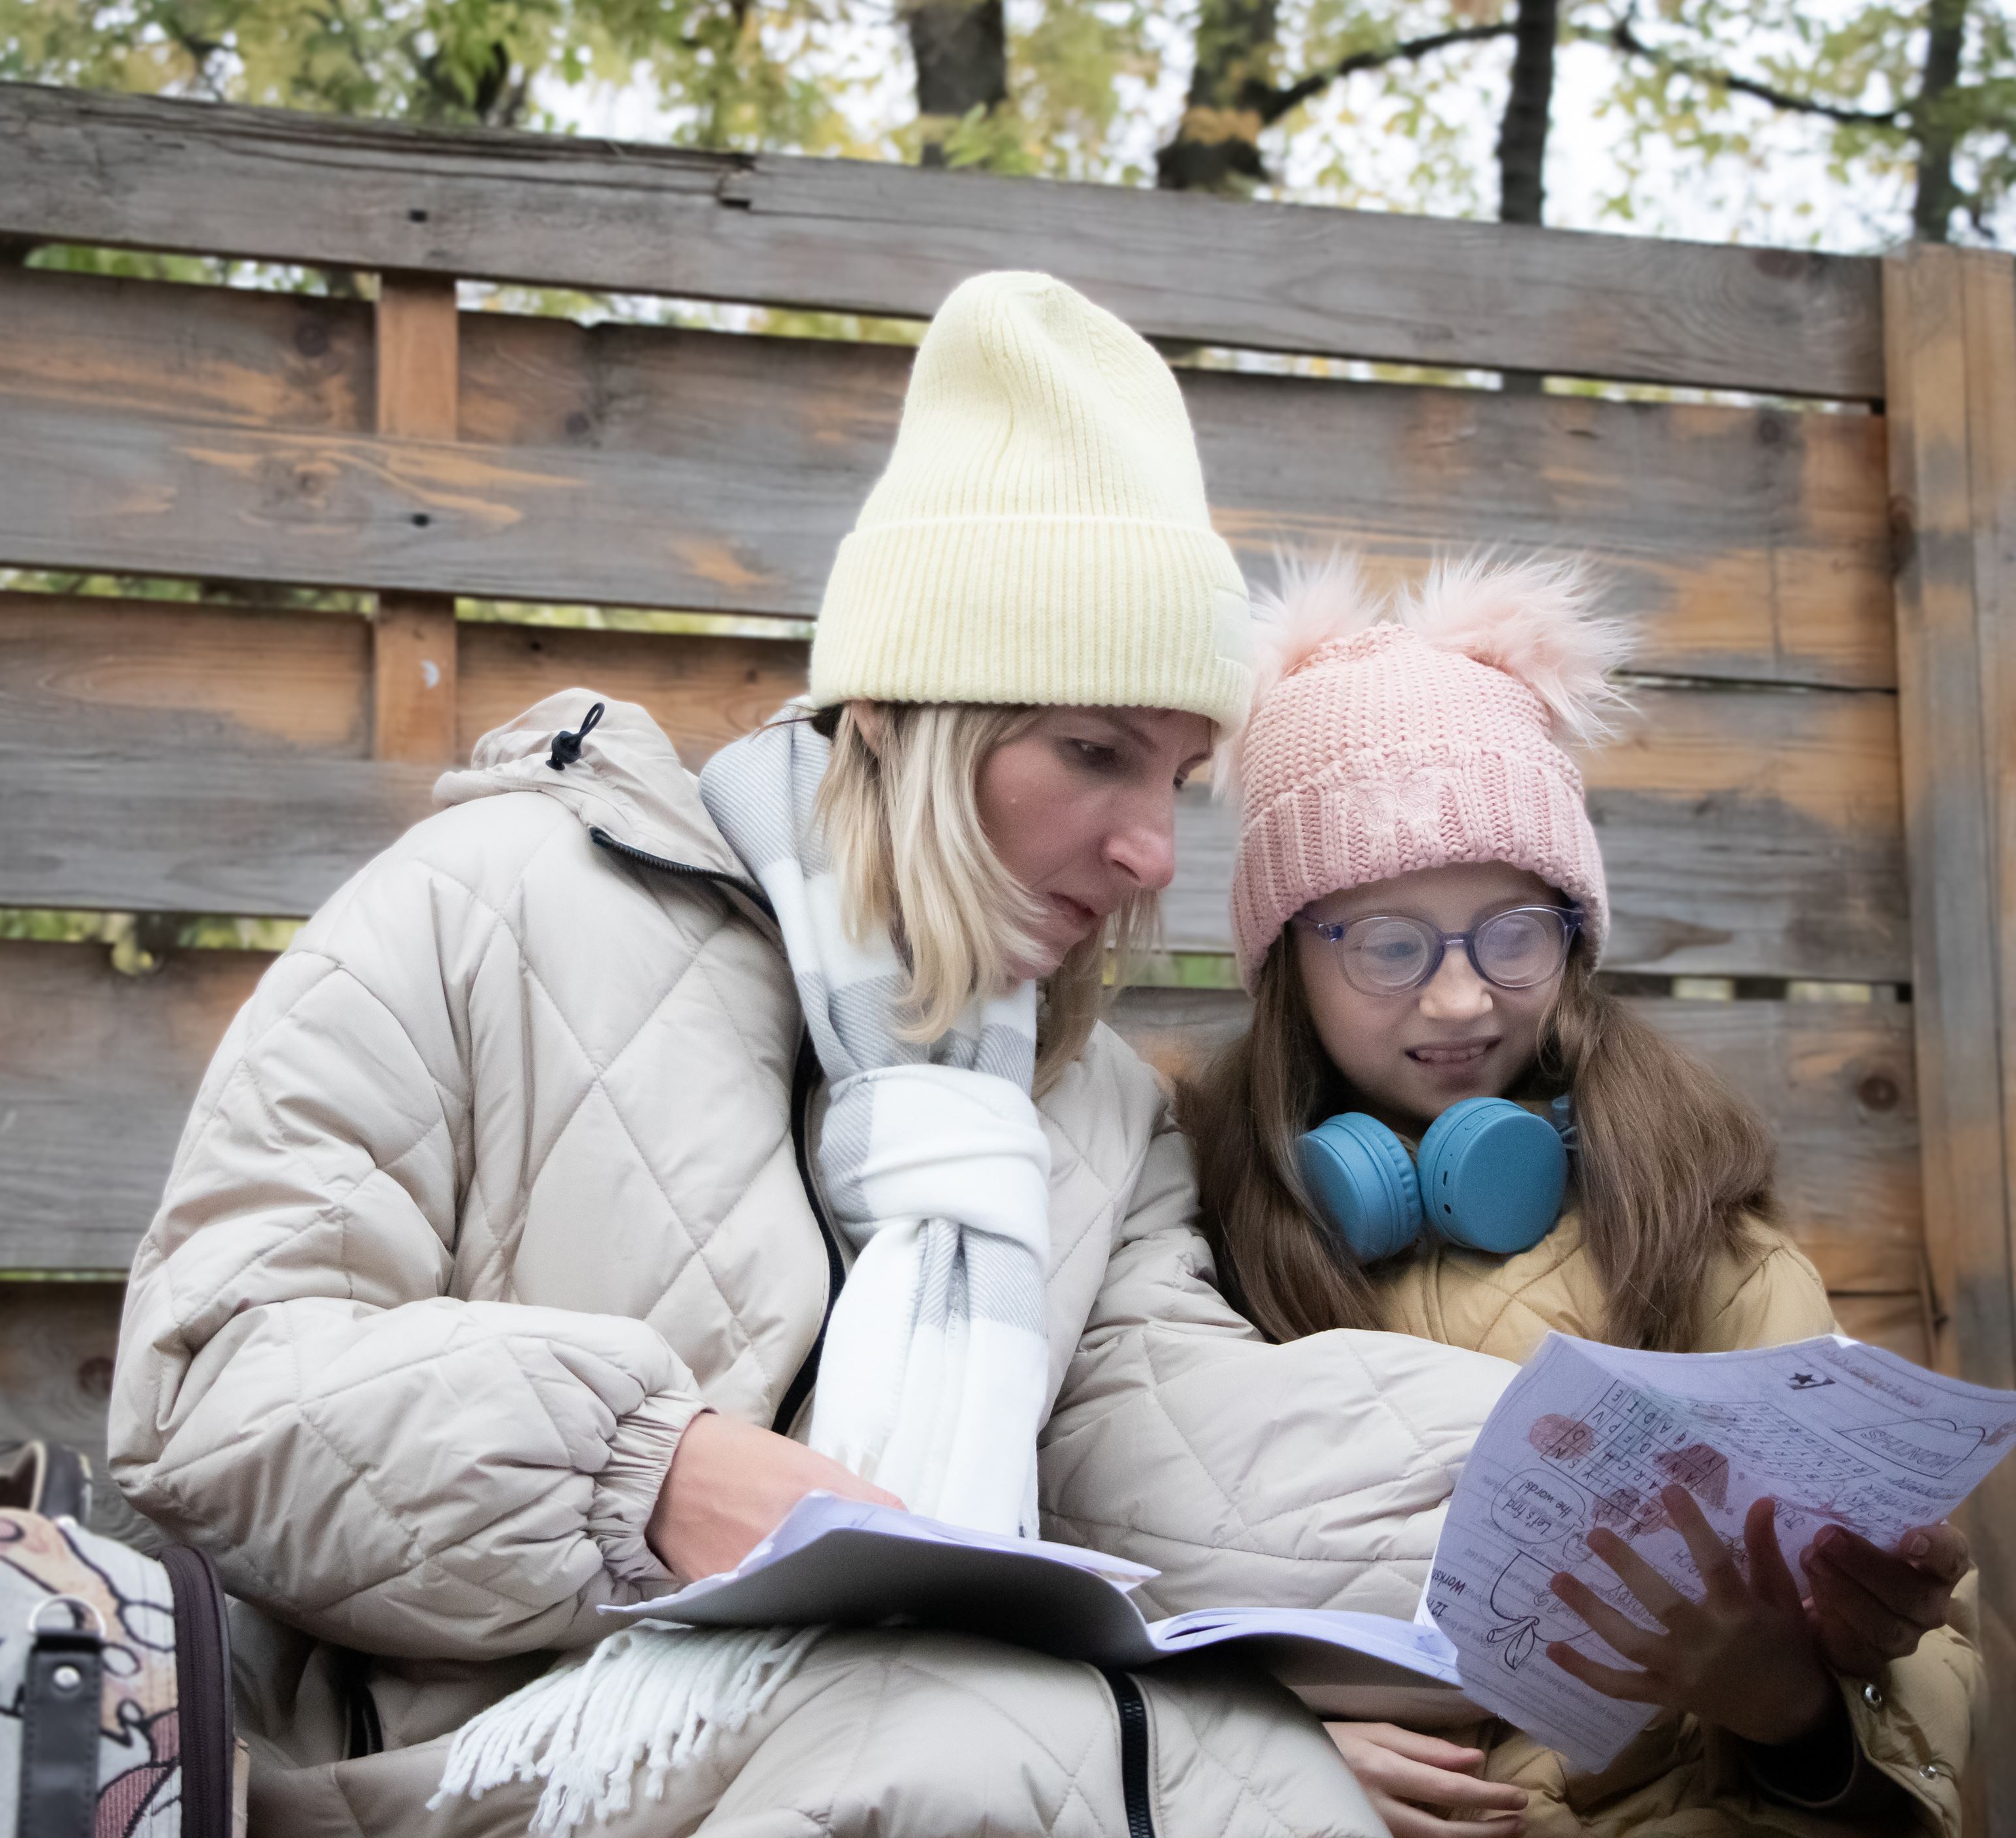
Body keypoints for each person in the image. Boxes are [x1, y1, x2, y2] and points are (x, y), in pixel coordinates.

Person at [108, 274, 1514, 1838]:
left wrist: (1547, 1474)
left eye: (1182, 777)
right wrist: (641, 1475)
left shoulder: (1099, 1106)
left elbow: (1173, 1456)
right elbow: (210, 1387)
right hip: (477, 1773)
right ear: (900, 719)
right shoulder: (491, 903)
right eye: (1095, 751)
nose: (1149, 850)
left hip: (904, 1744)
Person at [1177, 557, 1983, 1838]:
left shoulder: (1700, 1236)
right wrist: (1259, 1753)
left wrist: (1795, 1707)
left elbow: (1925, 1674)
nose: (1461, 999)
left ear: (1575, 933)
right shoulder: (1183, 1244)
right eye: (1389, 942)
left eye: (1513, 934)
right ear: (1288, 960)